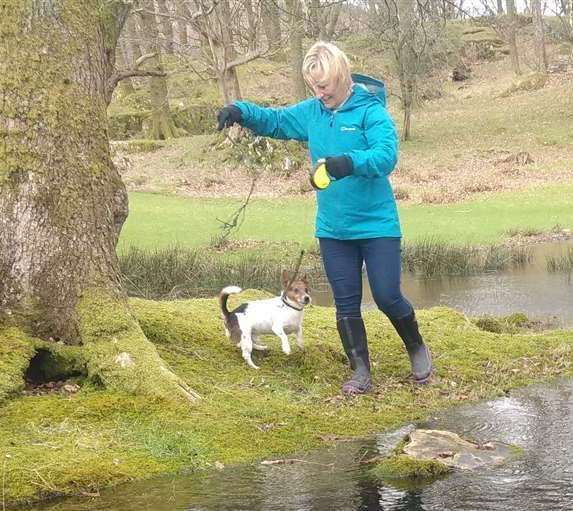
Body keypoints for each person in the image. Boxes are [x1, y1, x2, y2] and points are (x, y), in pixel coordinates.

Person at [216, 41, 432, 394]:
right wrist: (239, 111)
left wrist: (347, 162)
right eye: (313, 86)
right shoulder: (313, 111)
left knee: (387, 295)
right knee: (345, 302)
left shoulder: (370, 112)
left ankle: (417, 348)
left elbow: (386, 155)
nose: (319, 93)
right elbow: (276, 120)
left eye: (324, 85)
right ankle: (360, 371)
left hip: (377, 226)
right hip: (333, 229)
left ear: (342, 76)